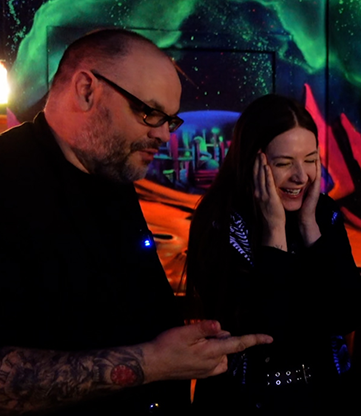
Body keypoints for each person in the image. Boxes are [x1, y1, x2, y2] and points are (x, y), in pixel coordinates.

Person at [0, 28, 272, 416]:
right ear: (86, 90)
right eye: (149, 112)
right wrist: (152, 363)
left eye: (170, 121)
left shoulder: (113, 175)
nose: (162, 134)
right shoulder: (10, 178)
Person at [186, 94, 361, 415]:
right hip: (248, 404)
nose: (301, 176)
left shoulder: (322, 213)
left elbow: (349, 313)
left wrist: (309, 228)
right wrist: (274, 230)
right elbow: (268, 330)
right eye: (284, 163)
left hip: (328, 397)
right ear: (253, 162)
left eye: (310, 160)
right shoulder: (220, 221)